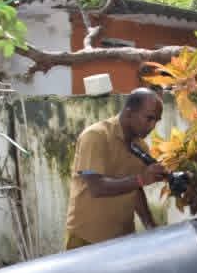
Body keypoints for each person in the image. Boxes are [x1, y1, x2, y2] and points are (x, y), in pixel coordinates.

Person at [64, 88, 167, 250]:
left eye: (157, 121)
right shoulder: (95, 136)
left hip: (122, 239)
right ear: (129, 113)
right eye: (149, 118)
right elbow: (96, 188)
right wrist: (141, 179)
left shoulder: (141, 147)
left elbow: (135, 189)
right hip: (86, 237)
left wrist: (150, 224)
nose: (153, 126)